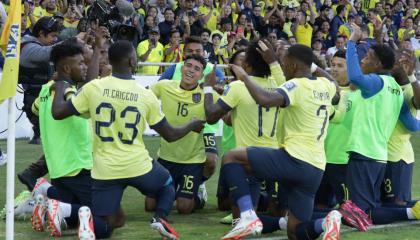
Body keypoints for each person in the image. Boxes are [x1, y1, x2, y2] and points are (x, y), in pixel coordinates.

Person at [50, 40, 204, 239]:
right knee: (167, 185)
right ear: (132, 61)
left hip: (105, 169)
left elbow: (59, 112)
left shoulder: (94, 88)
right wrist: (192, 124)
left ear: (111, 61)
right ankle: (160, 219)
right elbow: (170, 134)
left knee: (106, 227)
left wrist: (61, 83)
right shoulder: (145, 95)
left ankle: (84, 217)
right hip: (137, 164)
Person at [215, 44, 342, 240]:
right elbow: (334, 83)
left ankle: (248, 215)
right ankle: (325, 223)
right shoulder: (324, 85)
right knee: (295, 231)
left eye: (283, 64)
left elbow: (265, 99)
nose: (281, 67)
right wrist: (312, 66)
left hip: (294, 158)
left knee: (232, 157)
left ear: (292, 65)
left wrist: (244, 78)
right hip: (315, 167)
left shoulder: (296, 85)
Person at [344, 24, 420, 227]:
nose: (362, 60)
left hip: (364, 153)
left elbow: (354, 77)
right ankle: (412, 209)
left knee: (361, 213)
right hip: (379, 156)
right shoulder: (396, 88)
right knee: (369, 206)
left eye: (367, 57)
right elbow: (412, 124)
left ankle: (412, 212)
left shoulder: (375, 83)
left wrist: (351, 43)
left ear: (378, 64)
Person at [203, 40, 285, 224]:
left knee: (239, 220)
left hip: (248, 160)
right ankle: (282, 221)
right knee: (282, 216)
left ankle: (252, 216)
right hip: (278, 158)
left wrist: (207, 87)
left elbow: (211, 117)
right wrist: (273, 61)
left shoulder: (238, 87)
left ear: (247, 65)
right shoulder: (282, 84)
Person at [29, 39, 94, 238]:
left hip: (57, 167)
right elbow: (69, 104)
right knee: (103, 212)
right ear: (67, 67)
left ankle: (47, 199)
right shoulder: (67, 89)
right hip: (77, 164)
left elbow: (35, 109)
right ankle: (51, 202)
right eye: (81, 63)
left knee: (73, 212)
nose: (85, 66)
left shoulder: (45, 89)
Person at [145, 55, 216, 214]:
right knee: (150, 206)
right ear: (181, 68)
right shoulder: (164, 86)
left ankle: (198, 193)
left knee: (184, 208)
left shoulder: (206, 93)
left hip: (192, 161)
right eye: (188, 66)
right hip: (166, 157)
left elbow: (222, 111)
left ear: (202, 75)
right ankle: (177, 191)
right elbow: (142, 96)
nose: (191, 70)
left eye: (197, 69)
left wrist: (212, 89)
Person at [159, 36, 224, 198]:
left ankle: (198, 184)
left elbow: (222, 89)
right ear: (183, 52)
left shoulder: (213, 69)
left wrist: (213, 88)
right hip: (179, 125)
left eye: (198, 51)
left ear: (204, 52)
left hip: (205, 126)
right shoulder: (174, 69)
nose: (194, 53)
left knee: (210, 161)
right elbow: (157, 89)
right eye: (190, 51)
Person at [17, 16, 63, 191]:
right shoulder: (28, 47)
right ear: (41, 34)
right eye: (52, 36)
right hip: (36, 101)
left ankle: (33, 174)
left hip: (42, 99)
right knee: (61, 143)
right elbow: (47, 53)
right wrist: (73, 42)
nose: (55, 40)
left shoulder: (36, 46)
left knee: (60, 143)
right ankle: (35, 175)